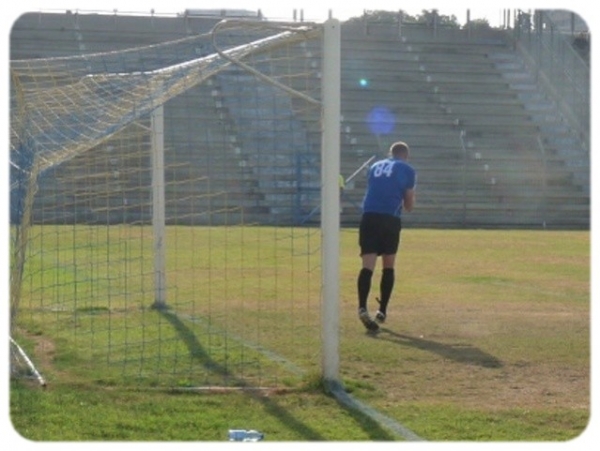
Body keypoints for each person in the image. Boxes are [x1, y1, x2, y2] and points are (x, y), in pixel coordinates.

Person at [357, 141, 416, 332]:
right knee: (388, 265)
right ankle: (382, 310)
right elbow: (408, 203)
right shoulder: (407, 169)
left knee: (367, 265)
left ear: (391, 153)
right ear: (406, 155)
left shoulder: (375, 166)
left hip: (369, 216)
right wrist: (408, 203)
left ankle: (362, 307)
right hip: (389, 218)